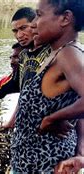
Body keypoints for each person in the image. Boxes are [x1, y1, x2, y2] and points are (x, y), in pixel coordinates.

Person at [10, 0, 84, 172]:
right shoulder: (57, 54)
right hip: (27, 163)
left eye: (40, 15)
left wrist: (52, 119)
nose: (34, 23)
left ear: (65, 18)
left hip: (44, 165)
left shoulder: (69, 55)